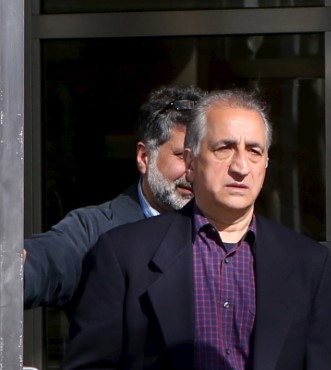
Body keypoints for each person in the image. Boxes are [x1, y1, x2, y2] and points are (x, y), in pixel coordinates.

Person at [53, 89, 331, 370]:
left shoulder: (308, 264)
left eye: (254, 151)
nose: (240, 166)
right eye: (224, 148)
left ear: (267, 164)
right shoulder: (125, 253)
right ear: (191, 162)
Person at [23, 84, 204, 309]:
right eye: (182, 156)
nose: (192, 171)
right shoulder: (95, 231)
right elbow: (46, 262)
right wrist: (16, 267)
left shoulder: (227, 231)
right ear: (144, 157)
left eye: (202, 158)